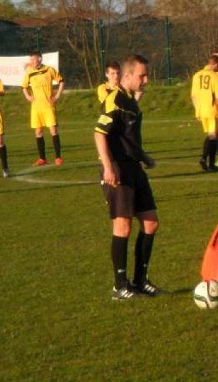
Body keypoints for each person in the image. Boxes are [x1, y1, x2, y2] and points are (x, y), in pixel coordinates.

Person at [94, 54, 159, 300]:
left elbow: (127, 137)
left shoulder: (131, 101)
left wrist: (143, 156)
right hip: (118, 169)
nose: (146, 79)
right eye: (142, 75)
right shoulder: (115, 100)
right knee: (123, 225)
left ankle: (140, 281)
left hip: (134, 168)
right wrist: (108, 168)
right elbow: (100, 134)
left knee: (151, 222)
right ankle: (120, 286)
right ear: (127, 75)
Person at [21, 51, 65, 166]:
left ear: (40, 59)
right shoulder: (30, 72)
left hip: (48, 106)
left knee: (53, 131)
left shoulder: (49, 70)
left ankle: (58, 157)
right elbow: (24, 87)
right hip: (36, 107)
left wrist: (57, 96)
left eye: (34, 59)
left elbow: (61, 81)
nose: (32, 62)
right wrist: (28, 96)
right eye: (31, 60)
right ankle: (42, 158)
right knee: (38, 132)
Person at [191, 55, 218, 172]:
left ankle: (211, 164)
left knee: (213, 136)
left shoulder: (196, 75)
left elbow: (193, 96)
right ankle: (203, 158)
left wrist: (197, 111)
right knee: (212, 136)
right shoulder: (214, 76)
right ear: (215, 64)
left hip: (201, 110)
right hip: (212, 110)